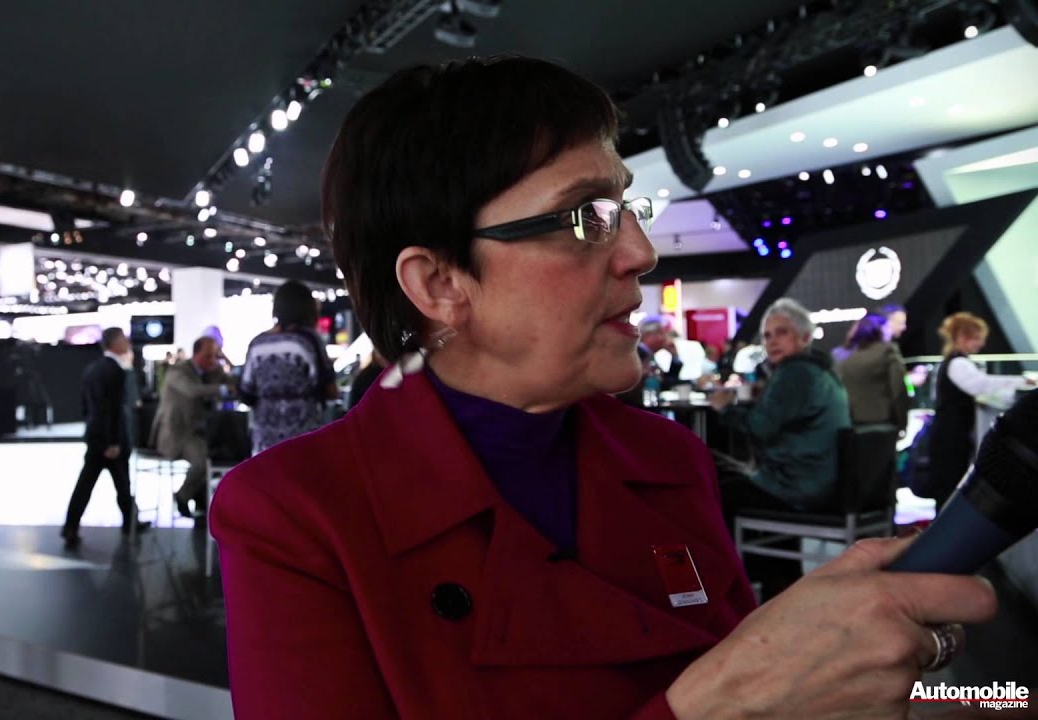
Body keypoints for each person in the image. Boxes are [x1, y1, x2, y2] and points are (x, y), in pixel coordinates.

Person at [210, 57, 995, 719]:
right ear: (441, 282)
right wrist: (722, 702)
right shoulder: (295, 517)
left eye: (626, 209)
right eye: (585, 217)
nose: (642, 253)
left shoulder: (667, 458)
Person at [709, 299, 852, 596]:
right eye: (768, 335)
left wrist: (724, 407)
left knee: (715, 490)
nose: (773, 341)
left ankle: (731, 589)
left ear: (804, 337)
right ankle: (780, 582)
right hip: (819, 480)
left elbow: (760, 427)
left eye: (782, 332)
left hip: (798, 485)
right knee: (729, 475)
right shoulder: (819, 370)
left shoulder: (796, 372)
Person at [926, 312, 1033, 510]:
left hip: (952, 434)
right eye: (976, 338)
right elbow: (979, 385)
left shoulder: (953, 362)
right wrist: (1022, 381)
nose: (980, 344)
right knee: (948, 487)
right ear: (961, 337)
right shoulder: (958, 363)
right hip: (950, 436)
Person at [62, 328, 149, 549]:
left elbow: (86, 407)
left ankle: (71, 527)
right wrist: (112, 442)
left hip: (95, 437)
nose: (128, 342)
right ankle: (130, 523)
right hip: (111, 440)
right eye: (123, 339)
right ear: (114, 343)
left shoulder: (91, 370)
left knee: (89, 485)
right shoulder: (115, 371)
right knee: (119, 482)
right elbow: (110, 410)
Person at [239, 281, 338, 453]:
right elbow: (328, 388)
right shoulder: (309, 341)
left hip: (265, 443)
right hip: (303, 441)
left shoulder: (257, 344)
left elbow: (246, 393)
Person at [148, 336, 228, 517]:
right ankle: (183, 496)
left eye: (214, 355)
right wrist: (221, 389)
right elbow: (192, 391)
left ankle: (200, 504)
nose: (212, 360)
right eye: (209, 355)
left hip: (197, 432)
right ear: (197, 354)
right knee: (201, 463)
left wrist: (223, 359)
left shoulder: (210, 371)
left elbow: (232, 382)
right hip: (176, 433)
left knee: (211, 460)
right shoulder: (178, 370)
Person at [836, 311, 911, 429]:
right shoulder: (887, 351)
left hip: (848, 423)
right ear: (880, 329)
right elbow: (898, 390)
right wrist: (903, 424)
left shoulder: (840, 356)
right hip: (880, 422)